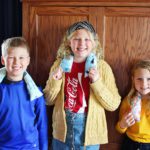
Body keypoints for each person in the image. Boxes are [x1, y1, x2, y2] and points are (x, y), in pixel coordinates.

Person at [44, 21, 121, 150]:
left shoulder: (102, 67)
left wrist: (97, 82)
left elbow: (113, 105)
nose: (82, 44)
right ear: (69, 42)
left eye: (87, 39)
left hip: (90, 130)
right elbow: (48, 100)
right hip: (62, 128)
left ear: (94, 43)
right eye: (76, 39)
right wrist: (56, 80)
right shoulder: (59, 65)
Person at [0, 37, 48, 150]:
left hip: (31, 147)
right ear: (3, 60)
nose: (16, 62)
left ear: (28, 60)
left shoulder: (36, 93)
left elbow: (42, 126)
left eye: (21, 58)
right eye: (11, 57)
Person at [116, 60, 150, 150]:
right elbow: (119, 128)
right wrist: (123, 124)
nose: (144, 84)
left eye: (149, 79)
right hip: (130, 143)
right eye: (139, 79)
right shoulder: (128, 101)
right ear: (133, 79)